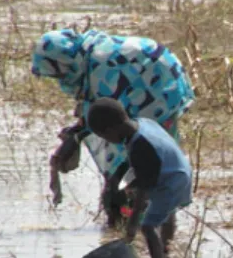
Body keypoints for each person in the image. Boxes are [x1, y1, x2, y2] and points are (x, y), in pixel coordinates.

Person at [30, 28, 195, 228]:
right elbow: (97, 112)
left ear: (65, 63)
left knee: (139, 154)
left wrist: (77, 136)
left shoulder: (100, 64)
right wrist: (76, 134)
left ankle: (141, 219)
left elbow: (106, 116)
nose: (60, 80)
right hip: (155, 82)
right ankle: (145, 217)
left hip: (158, 88)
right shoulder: (88, 55)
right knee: (140, 157)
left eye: (59, 74)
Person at [85, 98, 192, 258]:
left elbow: (144, 191)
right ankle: (165, 253)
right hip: (180, 171)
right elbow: (144, 167)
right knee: (166, 214)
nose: (109, 142)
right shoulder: (142, 124)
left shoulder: (140, 146)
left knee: (148, 226)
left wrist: (133, 225)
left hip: (170, 180)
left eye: (105, 138)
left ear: (111, 130)